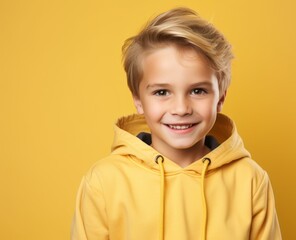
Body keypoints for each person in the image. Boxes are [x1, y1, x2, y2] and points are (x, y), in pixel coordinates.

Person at [71, 7, 282, 240]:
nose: (181, 109)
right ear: (138, 101)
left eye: (198, 90)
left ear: (220, 98)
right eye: (162, 92)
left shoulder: (250, 181)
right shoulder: (103, 182)